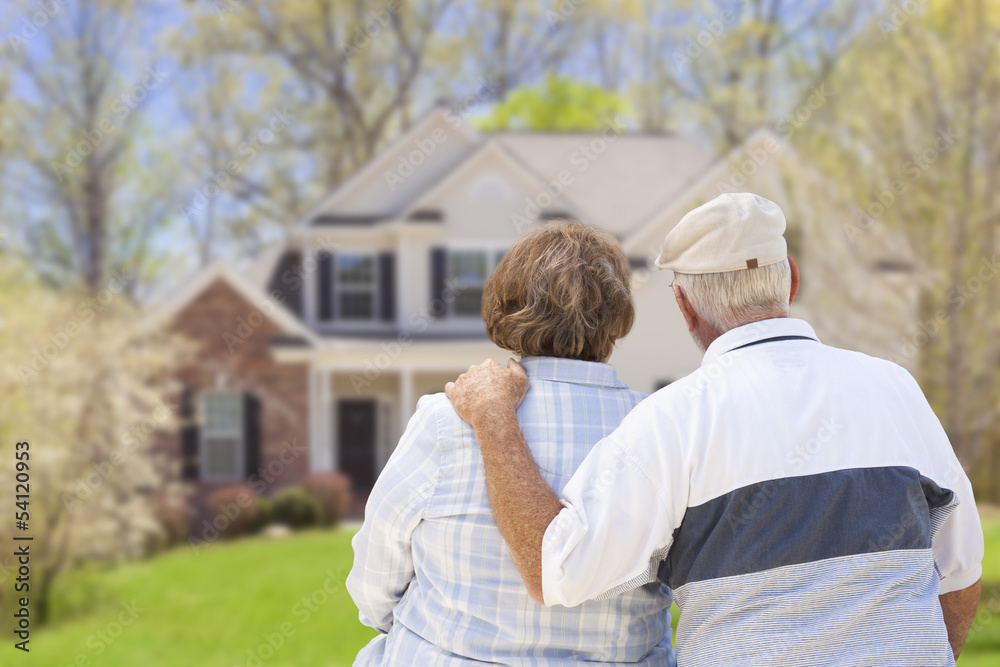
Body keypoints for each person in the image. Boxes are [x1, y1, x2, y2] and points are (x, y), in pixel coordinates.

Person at [444, 193, 985, 667]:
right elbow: (959, 575)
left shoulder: (673, 421)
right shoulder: (893, 388)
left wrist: (494, 417)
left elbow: (553, 570)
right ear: (790, 279)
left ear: (684, 306)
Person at [346, 222, 676, 666]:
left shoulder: (446, 421)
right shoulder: (661, 430)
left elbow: (376, 573)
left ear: (507, 307)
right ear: (617, 317)